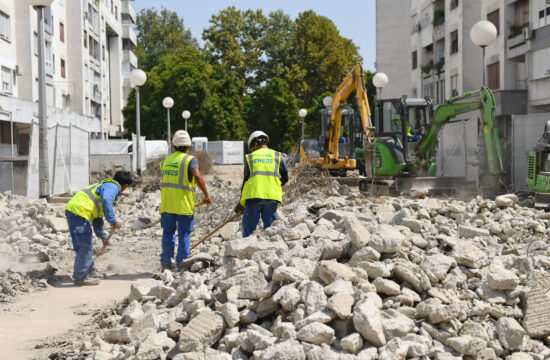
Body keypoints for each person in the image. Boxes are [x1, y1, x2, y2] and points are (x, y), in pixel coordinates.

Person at [65, 170, 133, 286]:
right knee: (85, 246)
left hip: (73, 210)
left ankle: (90, 270)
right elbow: (107, 200)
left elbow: (97, 221)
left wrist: (103, 237)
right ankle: (81, 277)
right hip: (80, 211)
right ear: (125, 186)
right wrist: (113, 221)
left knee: (82, 245)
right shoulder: (113, 186)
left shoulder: (104, 186)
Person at [159, 130, 212, 271]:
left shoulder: (166, 161)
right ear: (188, 146)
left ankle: (165, 263)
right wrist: (206, 194)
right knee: (184, 234)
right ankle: (181, 265)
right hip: (183, 206)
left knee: (168, 233)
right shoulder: (190, 160)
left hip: (167, 204)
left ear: (174, 145)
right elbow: (197, 176)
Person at [235, 131, 289, 237]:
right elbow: (286, 178)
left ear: (255, 143)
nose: (253, 149)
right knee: (271, 229)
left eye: (252, 147)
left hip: (253, 197)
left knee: (249, 229)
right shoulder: (277, 155)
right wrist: (273, 185)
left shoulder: (250, 157)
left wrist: (242, 202)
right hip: (272, 197)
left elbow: (246, 181)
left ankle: (246, 248)